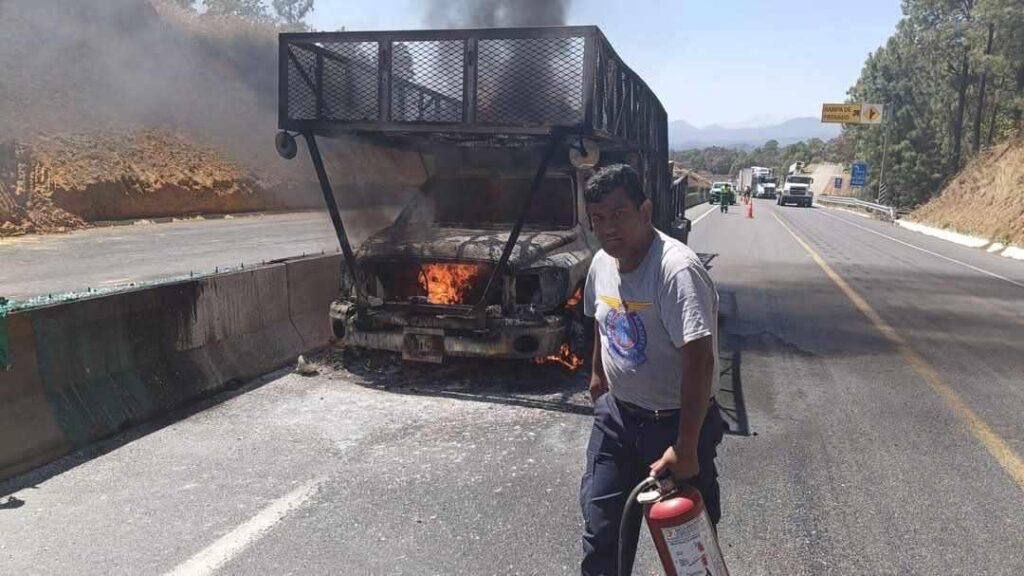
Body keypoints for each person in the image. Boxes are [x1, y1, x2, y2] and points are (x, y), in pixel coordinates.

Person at [579, 164, 725, 576]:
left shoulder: (676, 270)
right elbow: (601, 321)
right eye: (598, 219)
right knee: (601, 530)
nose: (608, 228)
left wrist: (686, 444)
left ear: (645, 211)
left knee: (687, 541)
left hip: (674, 424)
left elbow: (700, 358)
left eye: (619, 214)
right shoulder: (601, 264)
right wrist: (597, 376)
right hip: (618, 418)